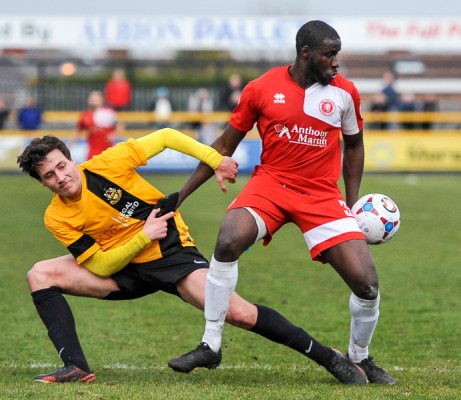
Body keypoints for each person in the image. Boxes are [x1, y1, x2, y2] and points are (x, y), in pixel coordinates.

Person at [17, 129, 367, 385]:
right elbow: (99, 265)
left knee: (238, 312)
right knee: (40, 274)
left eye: (62, 166)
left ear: (70, 157)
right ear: (42, 183)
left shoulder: (109, 163)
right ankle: (76, 368)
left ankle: (329, 358)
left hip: (170, 254)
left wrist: (216, 160)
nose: (61, 177)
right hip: (122, 265)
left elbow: (167, 136)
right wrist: (141, 237)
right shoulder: (56, 216)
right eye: (50, 175)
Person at [167, 20, 397, 385]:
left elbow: (354, 146)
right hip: (271, 184)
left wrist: (352, 207)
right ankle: (211, 344)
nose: (336, 62)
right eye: (330, 54)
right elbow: (224, 145)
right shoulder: (261, 88)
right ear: (306, 53)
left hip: (321, 194)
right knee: (228, 239)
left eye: (338, 54)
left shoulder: (345, 93)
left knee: (367, 285)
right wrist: (179, 197)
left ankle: (361, 358)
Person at [75, 90, 121, 160]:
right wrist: (68, 147)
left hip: (108, 154)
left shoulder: (109, 113)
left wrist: (114, 135)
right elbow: (77, 132)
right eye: (92, 99)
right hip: (92, 155)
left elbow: (119, 125)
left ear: (102, 100)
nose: (94, 101)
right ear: (89, 100)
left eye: (97, 99)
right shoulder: (85, 115)